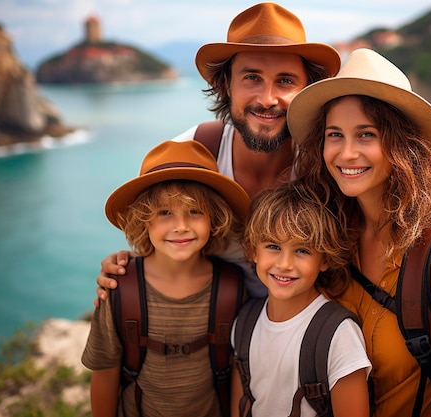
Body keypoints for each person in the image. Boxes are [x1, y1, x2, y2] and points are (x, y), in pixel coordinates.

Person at [288, 48, 431, 417]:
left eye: (366, 135)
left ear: (402, 146)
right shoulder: (336, 234)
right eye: (335, 135)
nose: (346, 153)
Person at [95, 2, 341, 299]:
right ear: (225, 84)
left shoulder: (328, 164)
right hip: (217, 336)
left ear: (306, 90)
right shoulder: (187, 157)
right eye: (252, 78)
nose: (267, 98)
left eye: (285, 81)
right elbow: (152, 233)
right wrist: (126, 266)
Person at [81, 140, 250, 417]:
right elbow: (105, 375)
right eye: (164, 212)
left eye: (195, 211)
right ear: (143, 220)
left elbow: (237, 373)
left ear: (214, 217)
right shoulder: (119, 288)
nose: (181, 226)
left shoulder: (231, 286)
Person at [230, 181, 371, 417]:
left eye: (302, 250)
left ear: (324, 260)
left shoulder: (339, 334)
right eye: (273, 246)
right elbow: (241, 407)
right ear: (253, 251)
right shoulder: (245, 322)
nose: (284, 264)